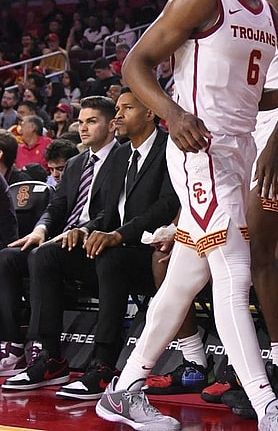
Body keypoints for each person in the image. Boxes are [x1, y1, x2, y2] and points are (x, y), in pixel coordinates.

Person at [94, 0, 278, 430]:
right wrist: (173, 114)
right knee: (234, 273)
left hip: (238, 147)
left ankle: (124, 390)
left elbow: (252, 96)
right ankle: (269, 407)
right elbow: (136, 64)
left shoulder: (269, 12)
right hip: (200, 148)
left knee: (185, 278)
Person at [52, 87, 179, 401]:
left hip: (153, 249)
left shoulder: (170, 148)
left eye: (126, 109)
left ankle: (104, 364)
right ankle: (49, 358)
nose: (118, 116)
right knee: (47, 256)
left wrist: (118, 235)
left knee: (112, 259)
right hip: (117, 244)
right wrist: (85, 229)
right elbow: (109, 212)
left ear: (150, 112)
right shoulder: (121, 153)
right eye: (118, 109)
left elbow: (166, 204)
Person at [0, 96, 119, 388]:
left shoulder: (124, 158)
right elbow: (58, 207)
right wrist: (41, 229)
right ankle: (12, 344)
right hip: (63, 242)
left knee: (44, 256)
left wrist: (83, 229)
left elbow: (114, 210)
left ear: (112, 125)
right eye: (81, 121)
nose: (83, 128)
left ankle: (48, 353)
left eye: (92, 121)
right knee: (7, 257)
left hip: (98, 243)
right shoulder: (77, 162)